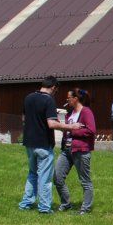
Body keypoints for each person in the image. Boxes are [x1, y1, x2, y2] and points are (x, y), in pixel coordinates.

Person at [19, 76, 83, 214]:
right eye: (56, 90)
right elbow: (51, 123)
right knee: (45, 177)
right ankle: (44, 208)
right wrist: (71, 127)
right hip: (43, 143)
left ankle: (26, 203)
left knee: (32, 173)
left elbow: (24, 118)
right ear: (53, 87)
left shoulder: (28, 97)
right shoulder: (48, 100)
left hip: (29, 143)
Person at [56, 89, 97, 214]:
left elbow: (91, 130)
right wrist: (61, 126)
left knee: (85, 180)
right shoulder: (70, 113)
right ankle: (66, 203)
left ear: (76, 98)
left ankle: (85, 208)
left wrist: (73, 131)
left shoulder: (86, 112)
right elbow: (68, 129)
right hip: (66, 150)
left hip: (81, 150)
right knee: (57, 177)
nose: (67, 100)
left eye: (69, 97)